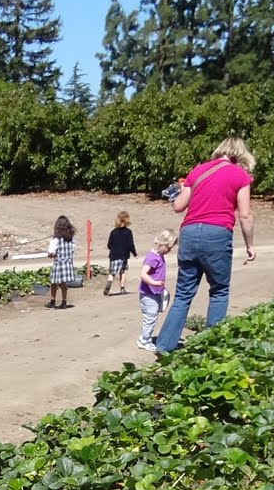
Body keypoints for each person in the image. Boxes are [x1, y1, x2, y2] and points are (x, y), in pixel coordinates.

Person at [157, 137, 256, 353]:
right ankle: (213, 348)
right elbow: (245, 216)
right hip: (217, 234)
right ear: (239, 155)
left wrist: (178, 190)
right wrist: (250, 245)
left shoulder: (198, 170)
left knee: (183, 293)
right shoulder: (240, 175)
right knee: (219, 290)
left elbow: (178, 206)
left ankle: (164, 346)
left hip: (190, 232)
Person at [135, 230, 176, 352]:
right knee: (151, 316)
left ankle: (145, 338)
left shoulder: (159, 256)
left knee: (152, 315)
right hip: (149, 293)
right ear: (162, 244)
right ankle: (144, 340)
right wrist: (154, 283)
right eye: (168, 248)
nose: (169, 251)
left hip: (155, 292)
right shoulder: (153, 257)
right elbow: (143, 274)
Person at [103, 212, 137, 296]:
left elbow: (109, 245)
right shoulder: (128, 232)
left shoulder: (113, 232)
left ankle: (109, 282)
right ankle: (122, 288)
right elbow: (130, 245)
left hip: (113, 255)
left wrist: (114, 249)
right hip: (123, 256)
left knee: (112, 272)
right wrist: (134, 253)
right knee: (122, 272)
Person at [47, 215, 76, 308]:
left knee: (54, 283)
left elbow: (51, 252)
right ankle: (64, 301)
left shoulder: (56, 240)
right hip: (67, 264)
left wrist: (51, 255)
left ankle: (52, 301)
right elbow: (72, 250)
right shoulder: (71, 239)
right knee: (63, 284)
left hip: (59, 264)